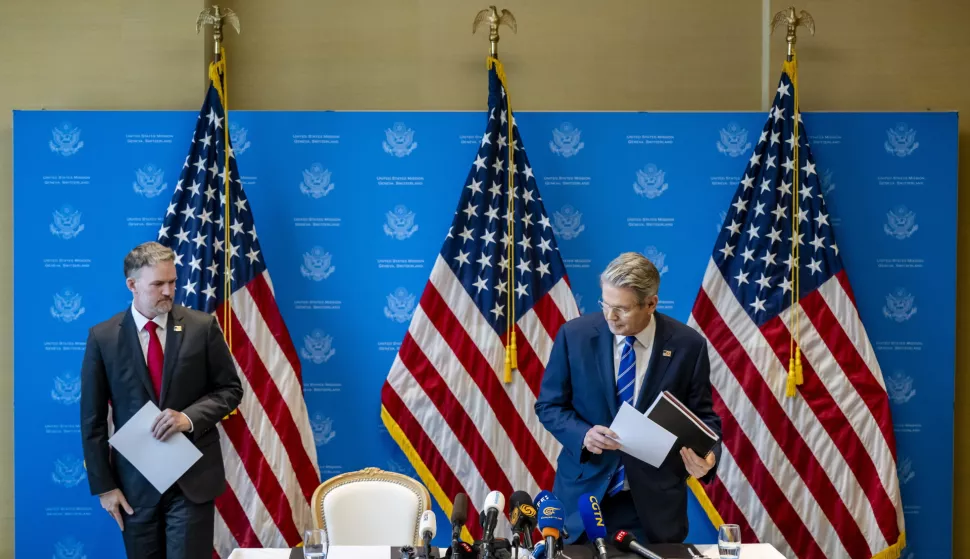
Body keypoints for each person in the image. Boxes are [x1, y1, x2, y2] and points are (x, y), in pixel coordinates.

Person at [535, 252, 722, 545]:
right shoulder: (575, 335)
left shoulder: (688, 345)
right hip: (584, 499)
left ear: (651, 304)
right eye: (605, 304)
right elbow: (549, 405)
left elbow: (704, 417)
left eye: (621, 309)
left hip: (652, 507)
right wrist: (583, 435)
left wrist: (709, 457)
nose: (610, 316)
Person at [80, 241, 244, 559]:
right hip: (134, 487)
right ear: (132, 285)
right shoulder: (103, 338)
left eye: (172, 282)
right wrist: (105, 486)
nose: (168, 291)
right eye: (158, 284)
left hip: (191, 481)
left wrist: (189, 417)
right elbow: (92, 419)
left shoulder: (202, 327)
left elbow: (230, 389)